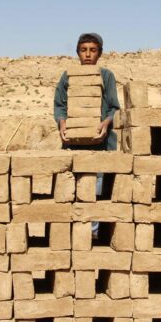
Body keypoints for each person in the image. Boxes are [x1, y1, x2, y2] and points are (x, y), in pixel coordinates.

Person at [53, 33, 120, 238]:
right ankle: (72, 233)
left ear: (99, 53)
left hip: (100, 143)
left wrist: (105, 124)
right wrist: (62, 124)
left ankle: (93, 234)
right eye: (84, 50)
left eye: (93, 50)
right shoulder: (68, 76)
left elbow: (114, 108)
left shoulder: (106, 76)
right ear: (77, 53)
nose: (88, 54)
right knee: (70, 186)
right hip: (73, 143)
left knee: (96, 188)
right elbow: (60, 106)